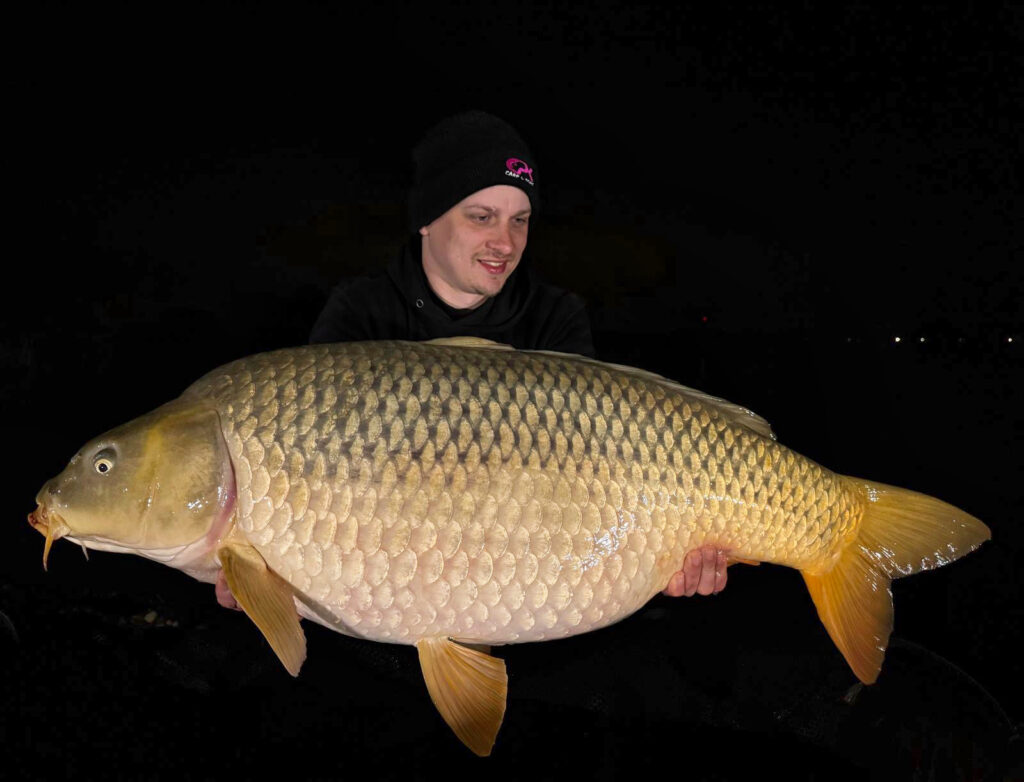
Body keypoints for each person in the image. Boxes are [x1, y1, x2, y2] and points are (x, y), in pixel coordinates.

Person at [310, 110, 728, 598]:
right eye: (481, 217)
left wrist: (658, 554)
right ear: (427, 218)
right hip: (385, 593)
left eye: (520, 220)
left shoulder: (554, 318)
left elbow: (595, 484)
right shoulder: (360, 315)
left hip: (524, 592)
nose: (504, 243)